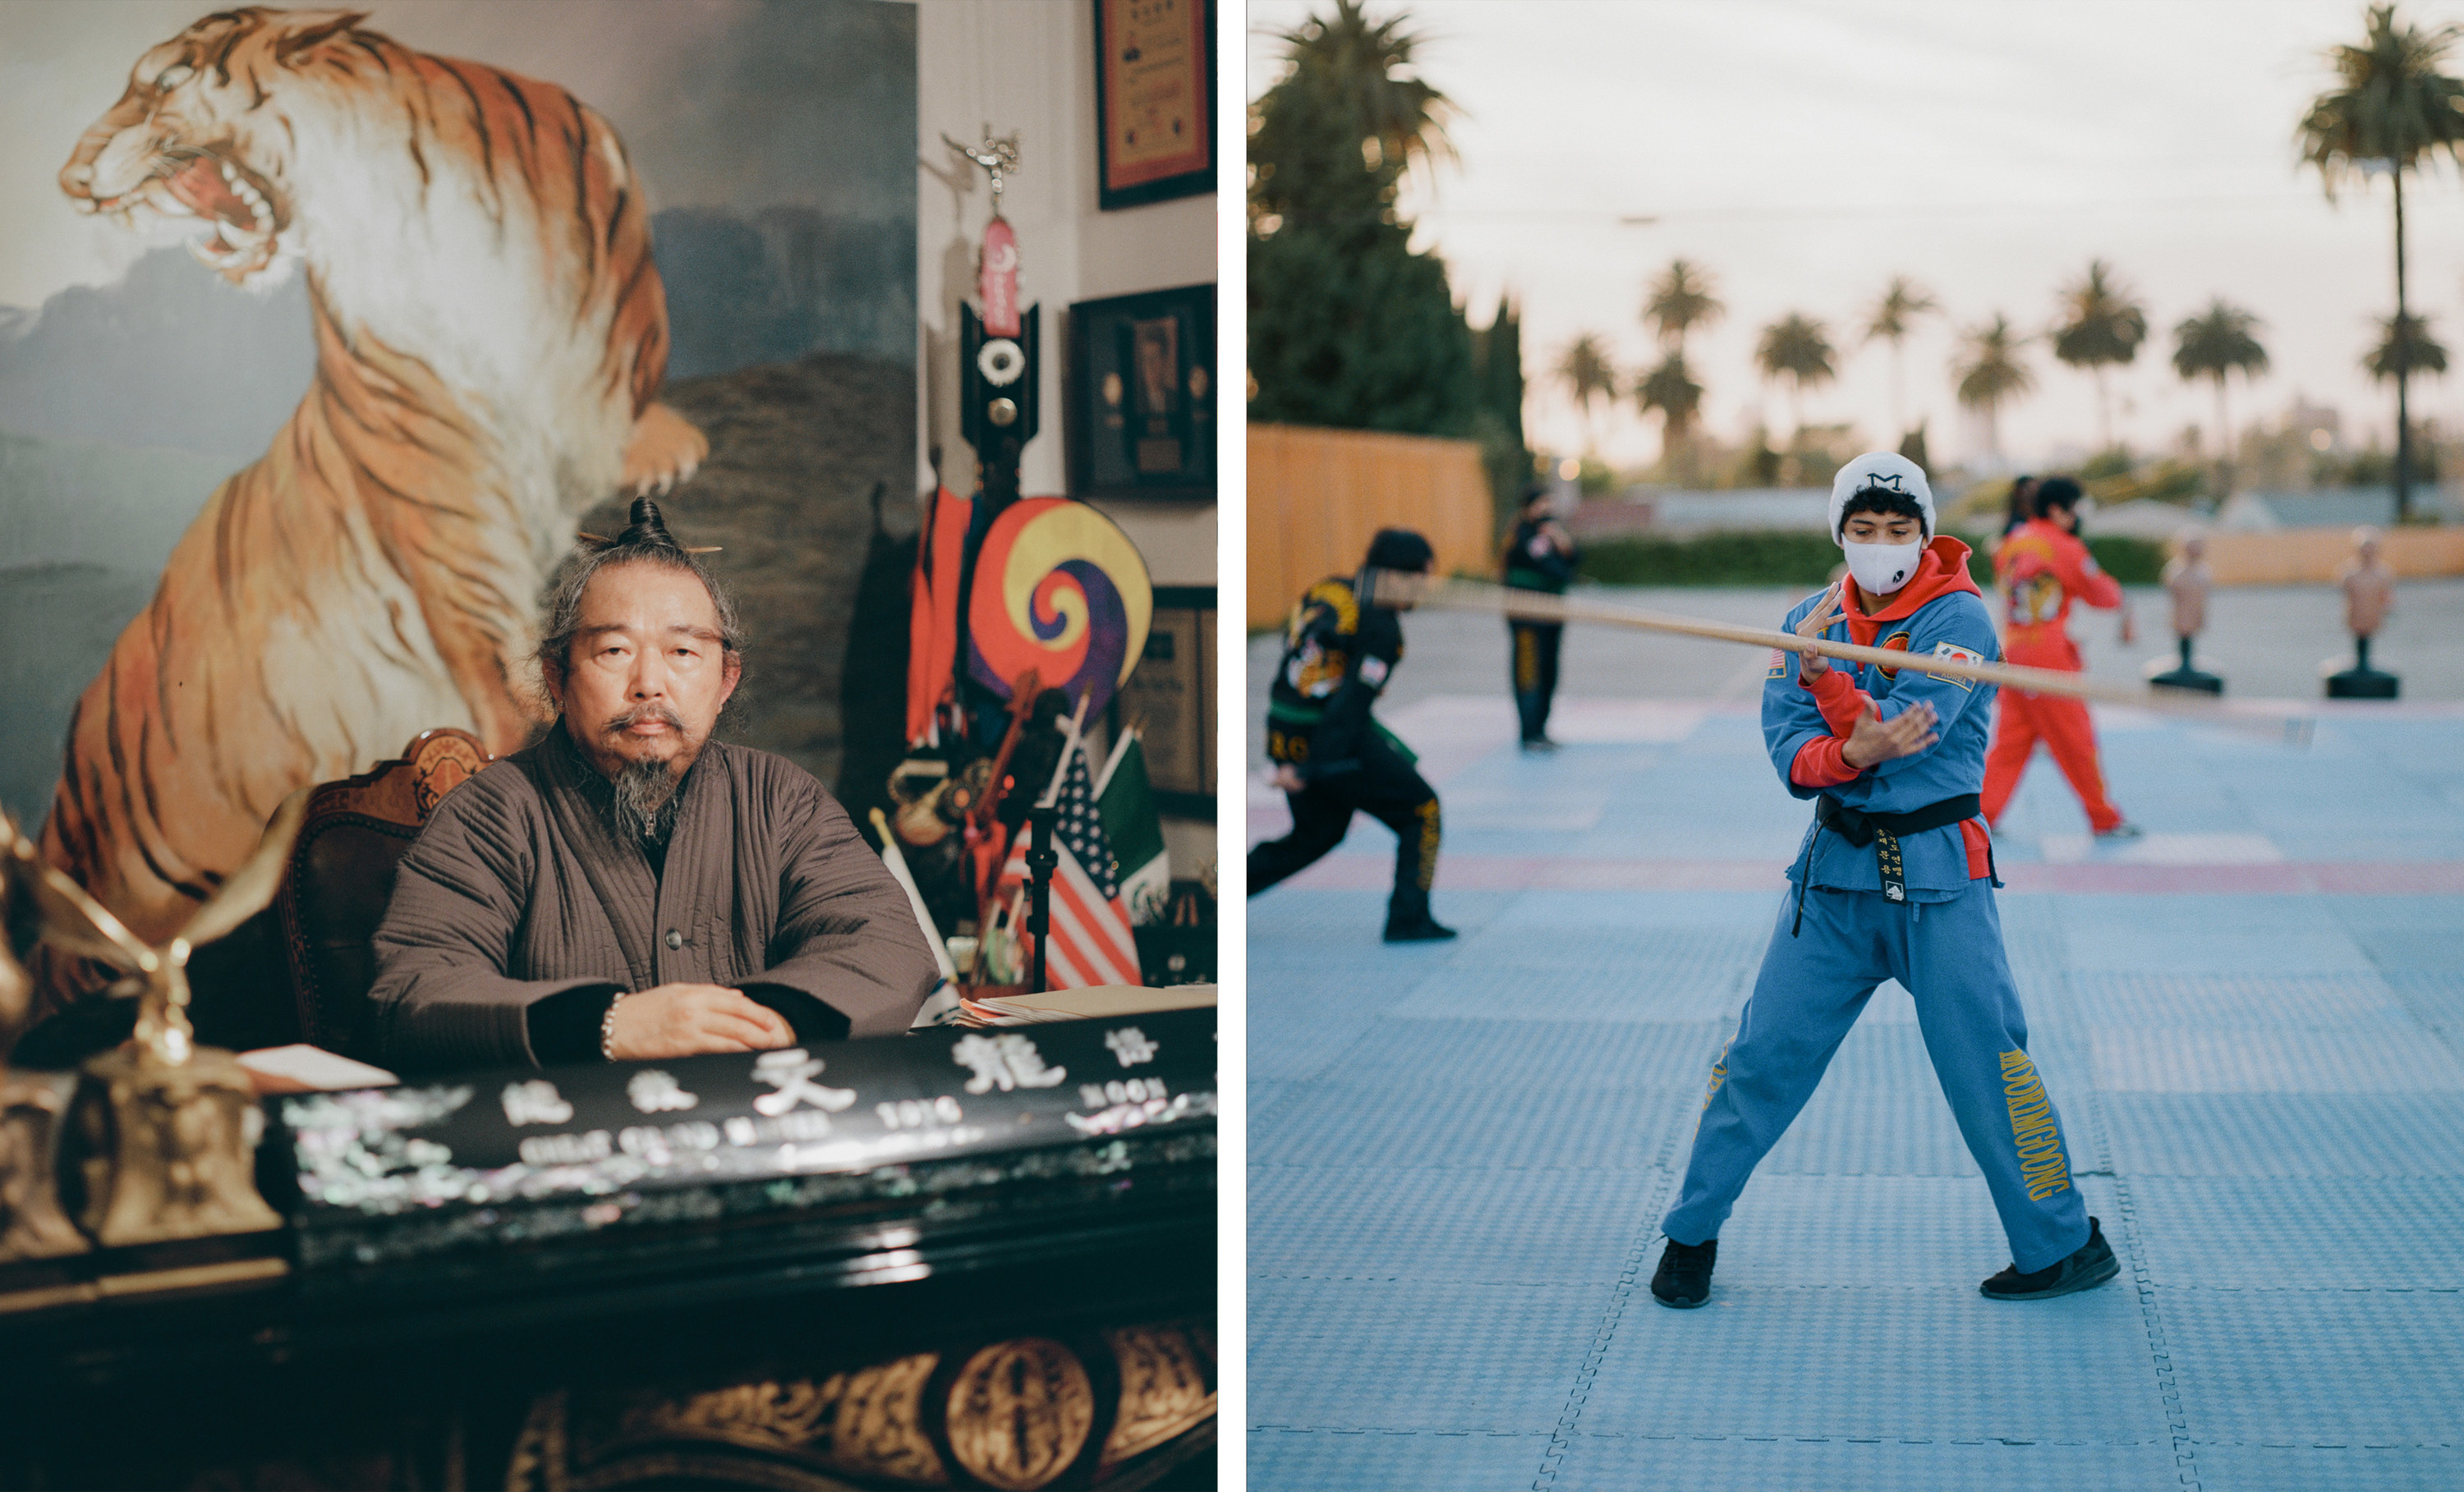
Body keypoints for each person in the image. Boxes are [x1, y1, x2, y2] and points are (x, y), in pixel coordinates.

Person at [1650, 452, 2116, 1310]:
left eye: (1899, 529)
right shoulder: (1802, 617)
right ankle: (1690, 1232)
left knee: (1990, 1066)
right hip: (1831, 885)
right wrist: (1840, 742)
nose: (1881, 546)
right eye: (1862, 530)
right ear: (1839, 532)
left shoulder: (1962, 619)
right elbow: (1792, 752)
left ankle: (2063, 1240)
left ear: (1925, 530)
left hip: (1941, 883)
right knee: (1759, 1058)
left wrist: (1829, 679)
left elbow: (1911, 731)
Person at [366, 498, 937, 1071]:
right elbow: (418, 989)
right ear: (557, 676)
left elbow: (887, 942)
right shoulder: (489, 816)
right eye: (615, 650)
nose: (649, 683)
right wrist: (613, 1025)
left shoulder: (781, 801)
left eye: (683, 651)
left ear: (725, 680)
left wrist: (755, 1025)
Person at [1248, 528, 1454, 942]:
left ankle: (1222, 895)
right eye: (1420, 581)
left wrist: (1288, 754)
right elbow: (1348, 708)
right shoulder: (1382, 627)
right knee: (1422, 810)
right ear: (1397, 577)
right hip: (1330, 738)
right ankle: (1408, 919)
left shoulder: (1330, 589)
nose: (1423, 593)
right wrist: (1309, 770)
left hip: (1285, 728)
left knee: (1316, 834)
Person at [1981, 476, 2140, 838]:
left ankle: (1981, 817)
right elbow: (2102, 595)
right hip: (2049, 657)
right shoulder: (2064, 546)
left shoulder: (2012, 542)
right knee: (2076, 740)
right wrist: (2121, 598)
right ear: (2057, 509)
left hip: (2014, 651)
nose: (2079, 517)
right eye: (2076, 509)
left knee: (2011, 743)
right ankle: (2104, 818)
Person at [1502, 484, 1580, 751]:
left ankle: (1541, 730)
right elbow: (1558, 570)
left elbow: (1574, 560)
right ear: (1528, 507)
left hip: (1551, 617)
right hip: (1527, 618)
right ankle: (1529, 733)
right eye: (1541, 503)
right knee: (1528, 675)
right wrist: (1558, 550)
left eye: (1550, 502)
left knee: (1548, 673)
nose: (1547, 509)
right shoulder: (1523, 536)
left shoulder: (1552, 532)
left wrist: (1563, 542)